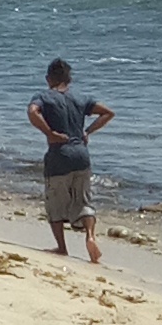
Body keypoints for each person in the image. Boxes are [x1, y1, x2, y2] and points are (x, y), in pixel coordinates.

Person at [26, 55, 114, 260]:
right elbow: (108, 113)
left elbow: (32, 111)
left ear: (49, 79)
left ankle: (61, 247)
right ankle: (90, 236)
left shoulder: (44, 96)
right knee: (84, 202)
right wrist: (88, 131)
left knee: (55, 203)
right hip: (81, 156)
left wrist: (49, 133)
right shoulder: (80, 97)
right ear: (69, 79)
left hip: (59, 155)